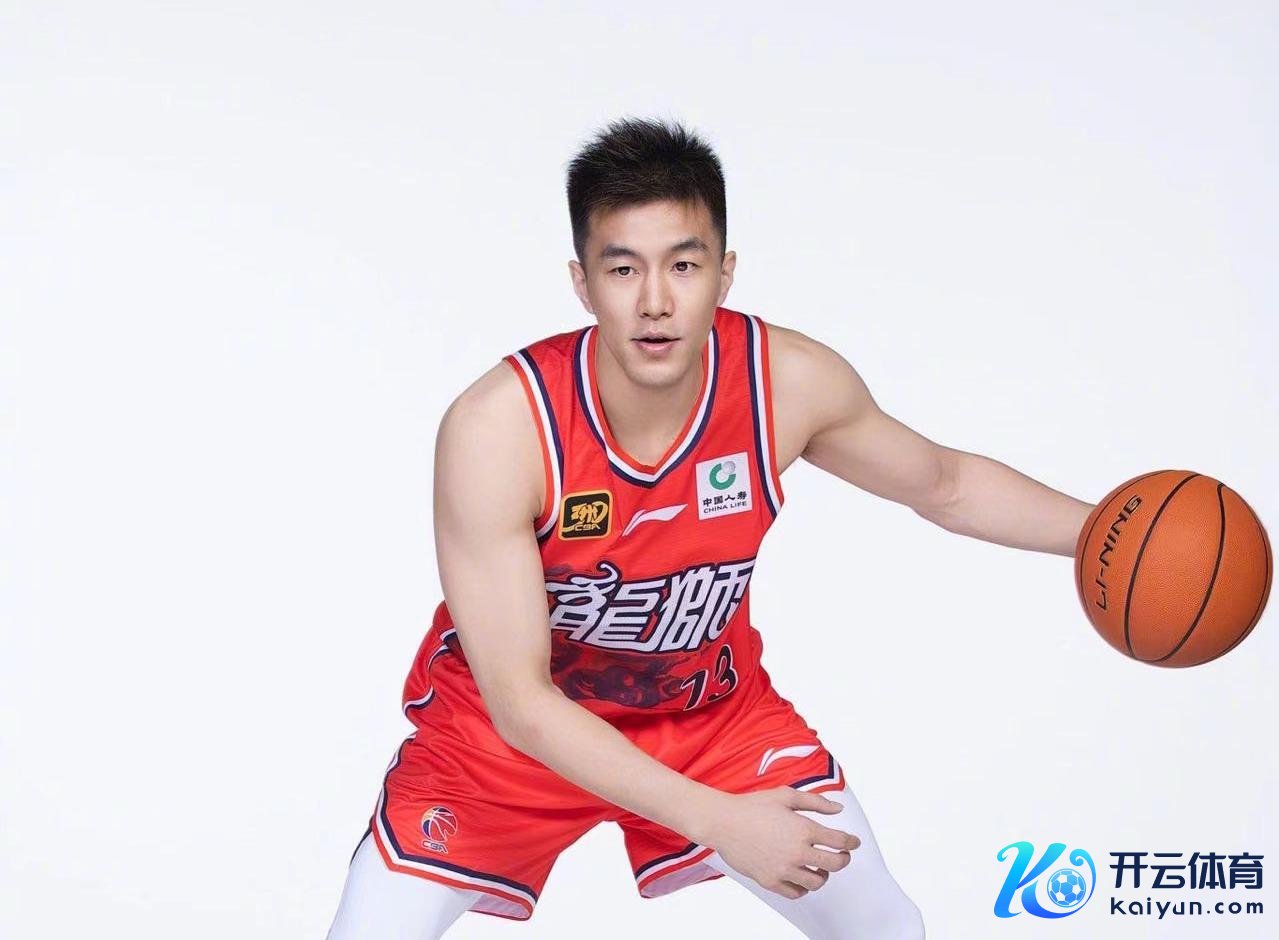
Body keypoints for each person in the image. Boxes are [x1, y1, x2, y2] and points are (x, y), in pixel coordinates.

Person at [327, 117, 1096, 939]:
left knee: (883, 928)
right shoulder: (500, 427)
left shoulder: (785, 382)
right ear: (582, 284)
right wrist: (720, 820)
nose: (655, 301)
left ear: (724, 274)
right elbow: (521, 702)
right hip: (502, 745)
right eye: (623, 268)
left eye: (683, 265)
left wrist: (1117, 535)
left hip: (705, 718)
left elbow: (945, 484)